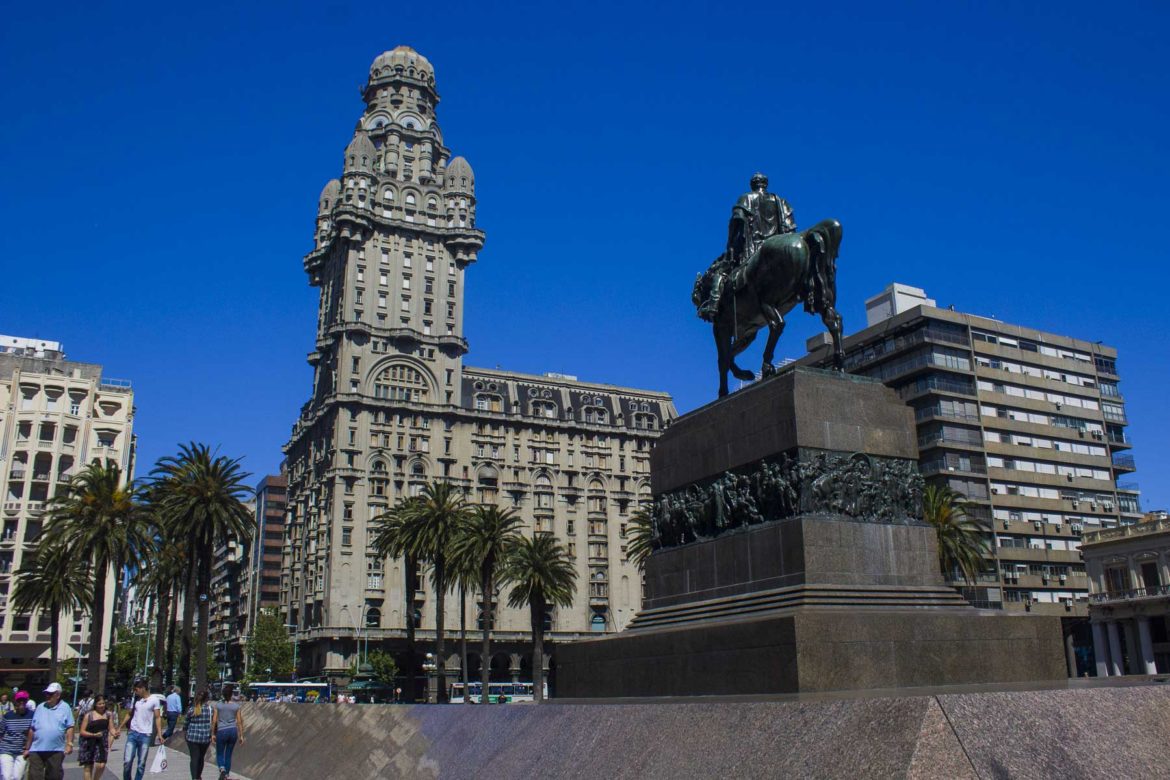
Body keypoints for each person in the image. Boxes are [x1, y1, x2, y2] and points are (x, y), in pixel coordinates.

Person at [699, 172, 797, 320]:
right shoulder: (781, 202)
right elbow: (791, 230)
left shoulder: (746, 198)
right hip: (777, 252)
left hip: (752, 250)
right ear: (765, 184)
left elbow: (737, 219)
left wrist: (731, 243)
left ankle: (713, 304)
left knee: (720, 273)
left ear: (753, 185)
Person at [23, 682, 74, 780]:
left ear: (58, 695)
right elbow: (32, 728)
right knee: (34, 776)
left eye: (50, 694)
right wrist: (27, 748)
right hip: (36, 748)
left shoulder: (65, 707)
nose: (48, 696)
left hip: (55, 749)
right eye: (47, 693)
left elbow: (70, 727)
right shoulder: (40, 707)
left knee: (54, 776)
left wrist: (69, 744)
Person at [119, 679, 163, 780]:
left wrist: (159, 734)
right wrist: (120, 727)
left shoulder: (154, 699)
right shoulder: (135, 700)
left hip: (145, 735)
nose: (135, 692)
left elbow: (157, 717)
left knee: (141, 763)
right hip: (133, 733)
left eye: (137, 689)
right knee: (127, 761)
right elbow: (129, 714)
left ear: (143, 688)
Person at [78, 694, 116, 780]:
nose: (102, 705)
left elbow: (111, 728)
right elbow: (82, 731)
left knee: (101, 765)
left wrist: (115, 734)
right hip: (88, 742)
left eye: (103, 703)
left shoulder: (108, 714)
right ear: (95, 704)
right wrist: (93, 735)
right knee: (88, 766)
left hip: (102, 742)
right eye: (99, 704)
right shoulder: (89, 715)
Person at [210, 684, 244, 780]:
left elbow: (214, 720)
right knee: (228, 754)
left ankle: (222, 769)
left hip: (222, 730)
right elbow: (239, 721)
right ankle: (227, 775)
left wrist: (213, 733)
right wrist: (241, 735)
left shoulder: (219, 705)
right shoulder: (236, 706)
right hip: (233, 730)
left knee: (220, 753)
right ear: (231, 694)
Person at [0, 691, 33, 780]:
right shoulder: (8, 716)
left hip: (22, 751)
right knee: (6, 777)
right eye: (19, 701)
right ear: (15, 702)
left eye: (24, 701)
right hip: (6, 750)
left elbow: (34, 732)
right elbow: (1, 732)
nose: (21, 703)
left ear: (27, 701)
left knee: (17, 777)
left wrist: (28, 748)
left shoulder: (32, 715)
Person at [183, 691, 212, 780]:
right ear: (207, 699)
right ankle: (199, 776)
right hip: (205, 738)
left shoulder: (192, 710)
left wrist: (185, 733)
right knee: (201, 758)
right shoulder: (210, 710)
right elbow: (214, 723)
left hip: (192, 737)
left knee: (194, 758)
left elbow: (186, 724)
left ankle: (194, 777)